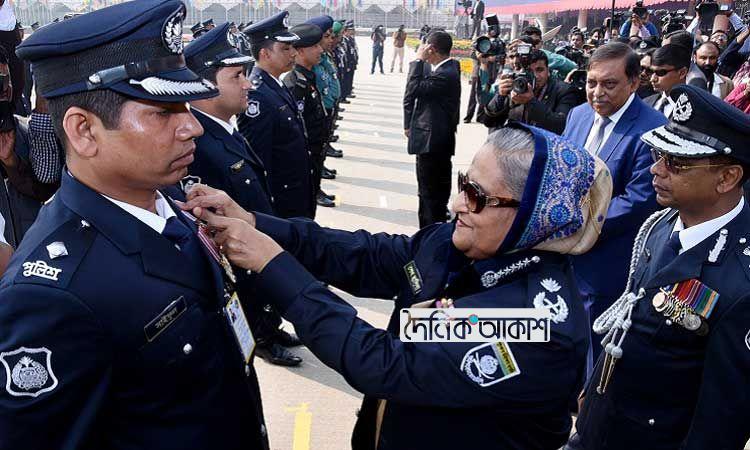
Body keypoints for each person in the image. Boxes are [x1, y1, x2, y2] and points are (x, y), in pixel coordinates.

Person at [182, 123, 612, 450]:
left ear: (535, 215)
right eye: (463, 183)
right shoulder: (459, 242)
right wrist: (256, 223)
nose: (456, 203)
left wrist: (272, 264)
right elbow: (365, 255)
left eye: (477, 196)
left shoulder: (536, 323)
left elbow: (385, 363)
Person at [0, 1, 270, 448]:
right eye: (163, 112)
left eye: (186, 106)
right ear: (84, 131)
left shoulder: (174, 205)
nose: (192, 127)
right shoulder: (50, 296)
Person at [568, 84, 750, 450]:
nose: (656, 169)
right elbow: (627, 324)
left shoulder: (741, 282)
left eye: (676, 163)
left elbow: (721, 420)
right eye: (659, 154)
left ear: (727, 178)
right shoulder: (661, 224)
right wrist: (592, 393)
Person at [184, 22, 303, 367]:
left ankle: (268, 327)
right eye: (236, 76)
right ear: (204, 87)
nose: (248, 83)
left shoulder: (224, 130)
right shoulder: (198, 146)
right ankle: (260, 334)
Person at [563, 42, 666, 368]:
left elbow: (639, 199)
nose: (597, 93)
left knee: (596, 356)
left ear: (634, 82)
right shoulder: (578, 115)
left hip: (607, 264)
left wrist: (578, 223)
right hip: (563, 257)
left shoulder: (653, 128)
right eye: (591, 82)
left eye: (609, 84)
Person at [238, 11, 315, 219]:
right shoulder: (258, 95)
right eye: (285, 48)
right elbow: (259, 161)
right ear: (265, 54)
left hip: (296, 192)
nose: (293, 54)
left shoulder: (275, 85)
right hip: (282, 203)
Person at [404, 31, 461, 228]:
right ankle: (434, 227)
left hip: (433, 143)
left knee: (429, 194)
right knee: (436, 193)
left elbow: (413, 88)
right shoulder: (450, 67)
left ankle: (428, 234)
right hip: (438, 140)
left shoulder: (445, 74)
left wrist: (418, 60)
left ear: (432, 49)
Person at [284, 23, 336, 209]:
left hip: (315, 151)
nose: (320, 50)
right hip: (305, 155)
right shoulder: (295, 84)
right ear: (299, 51)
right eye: (314, 46)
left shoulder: (307, 77)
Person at [480, 49, 579, 134]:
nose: (535, 76)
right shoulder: (516, 86)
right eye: (529, 72)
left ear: (548, 70)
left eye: (539, 70)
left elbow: (561, 126)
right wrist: (500, 96)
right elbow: (489, 122)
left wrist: (531, 102)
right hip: (515, 145)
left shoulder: (564, 90)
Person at [644, 44, 690, 117]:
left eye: (661, 72)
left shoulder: (695, 108)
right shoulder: (646, 103)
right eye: (651, 71)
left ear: (682, 73)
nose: (652, 79)